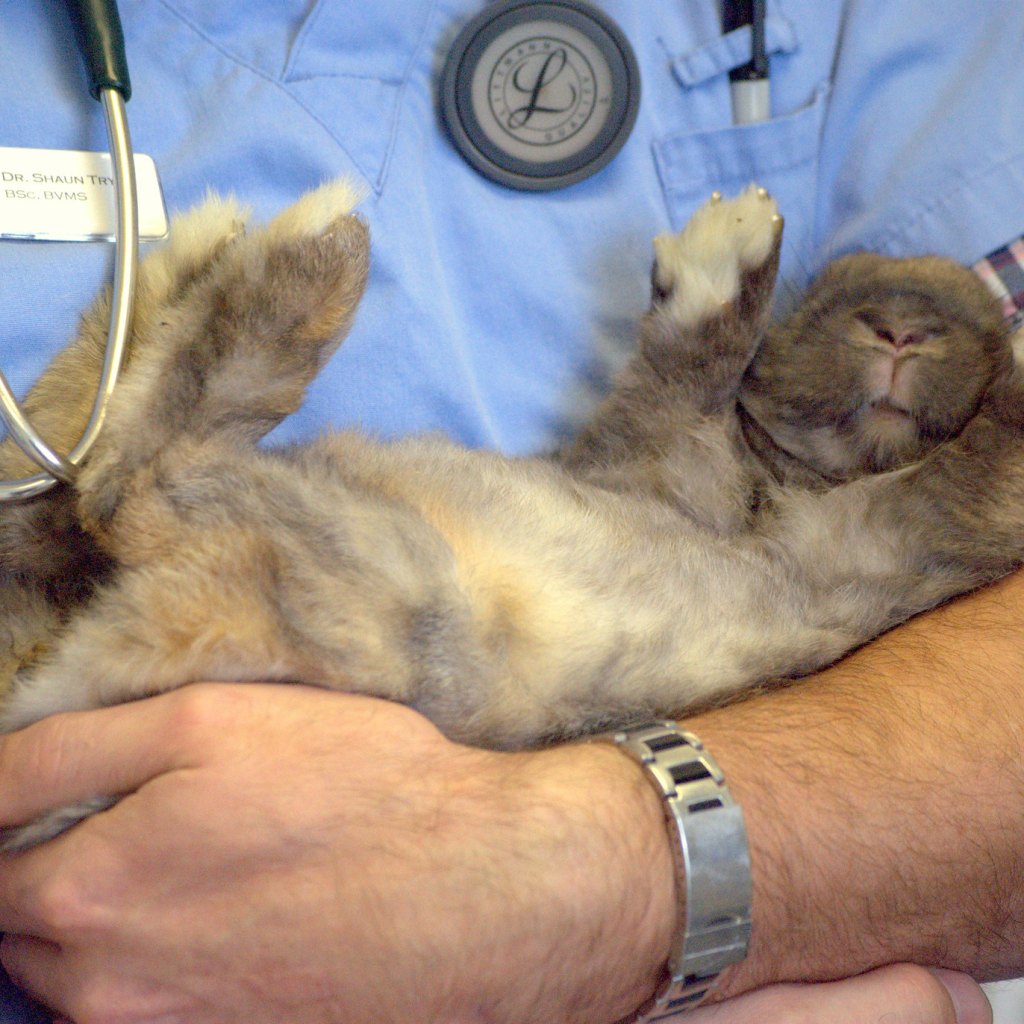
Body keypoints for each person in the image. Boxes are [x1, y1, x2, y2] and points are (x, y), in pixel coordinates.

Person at [0, 0, 1021, 1020]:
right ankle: (138, 470)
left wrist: (613, 874)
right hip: (203, 727)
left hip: (329, 677)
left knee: (385, 611)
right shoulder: (741, 520)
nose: (896, 344)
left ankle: (150, 464)